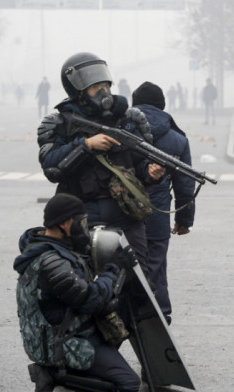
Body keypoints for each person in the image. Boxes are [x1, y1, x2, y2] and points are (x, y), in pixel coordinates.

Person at [36, 52, 164, 270]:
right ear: (77, 91)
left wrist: (150, 172)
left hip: (126, 215)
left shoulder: (128, 119)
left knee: (139, 279)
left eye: (105, 84)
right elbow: (51, 167)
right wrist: (86, 146)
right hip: (80, 218)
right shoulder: (58, 123)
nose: (103, 91)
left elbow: (139, 163)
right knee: (81, 278)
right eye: (95, 87)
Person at [14, 193, 140, 392]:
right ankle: (53, 375)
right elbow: (91, 300)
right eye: (81, 222)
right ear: (65, 224)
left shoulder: (55, 247)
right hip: (64, 343)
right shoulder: (53, 264)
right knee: (129, 383)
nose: (84, 227)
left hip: (72, 330)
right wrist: (114, 269)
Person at [131, 81, 195, 324]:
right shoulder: (177, 139)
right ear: (162, 105)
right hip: (157, 217)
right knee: (156, 270)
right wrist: (183, 220)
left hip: (122, 216)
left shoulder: (123, 129)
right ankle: (159, 323)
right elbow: (185, 185)